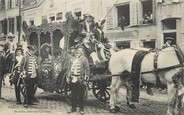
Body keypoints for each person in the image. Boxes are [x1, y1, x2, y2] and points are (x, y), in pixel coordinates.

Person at [67, 46, 90, 114]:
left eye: (78, 51)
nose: (77, 53)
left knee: (81, 95)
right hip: (73, 78)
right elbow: (69, 69)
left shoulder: (84, 59)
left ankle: (81, 109)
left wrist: (86, 79)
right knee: (73, 94)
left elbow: (87, 69)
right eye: (76, 51)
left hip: (80, 79)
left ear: (81, 52)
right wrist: (68, 77)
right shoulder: (72, 59)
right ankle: (73, 108)